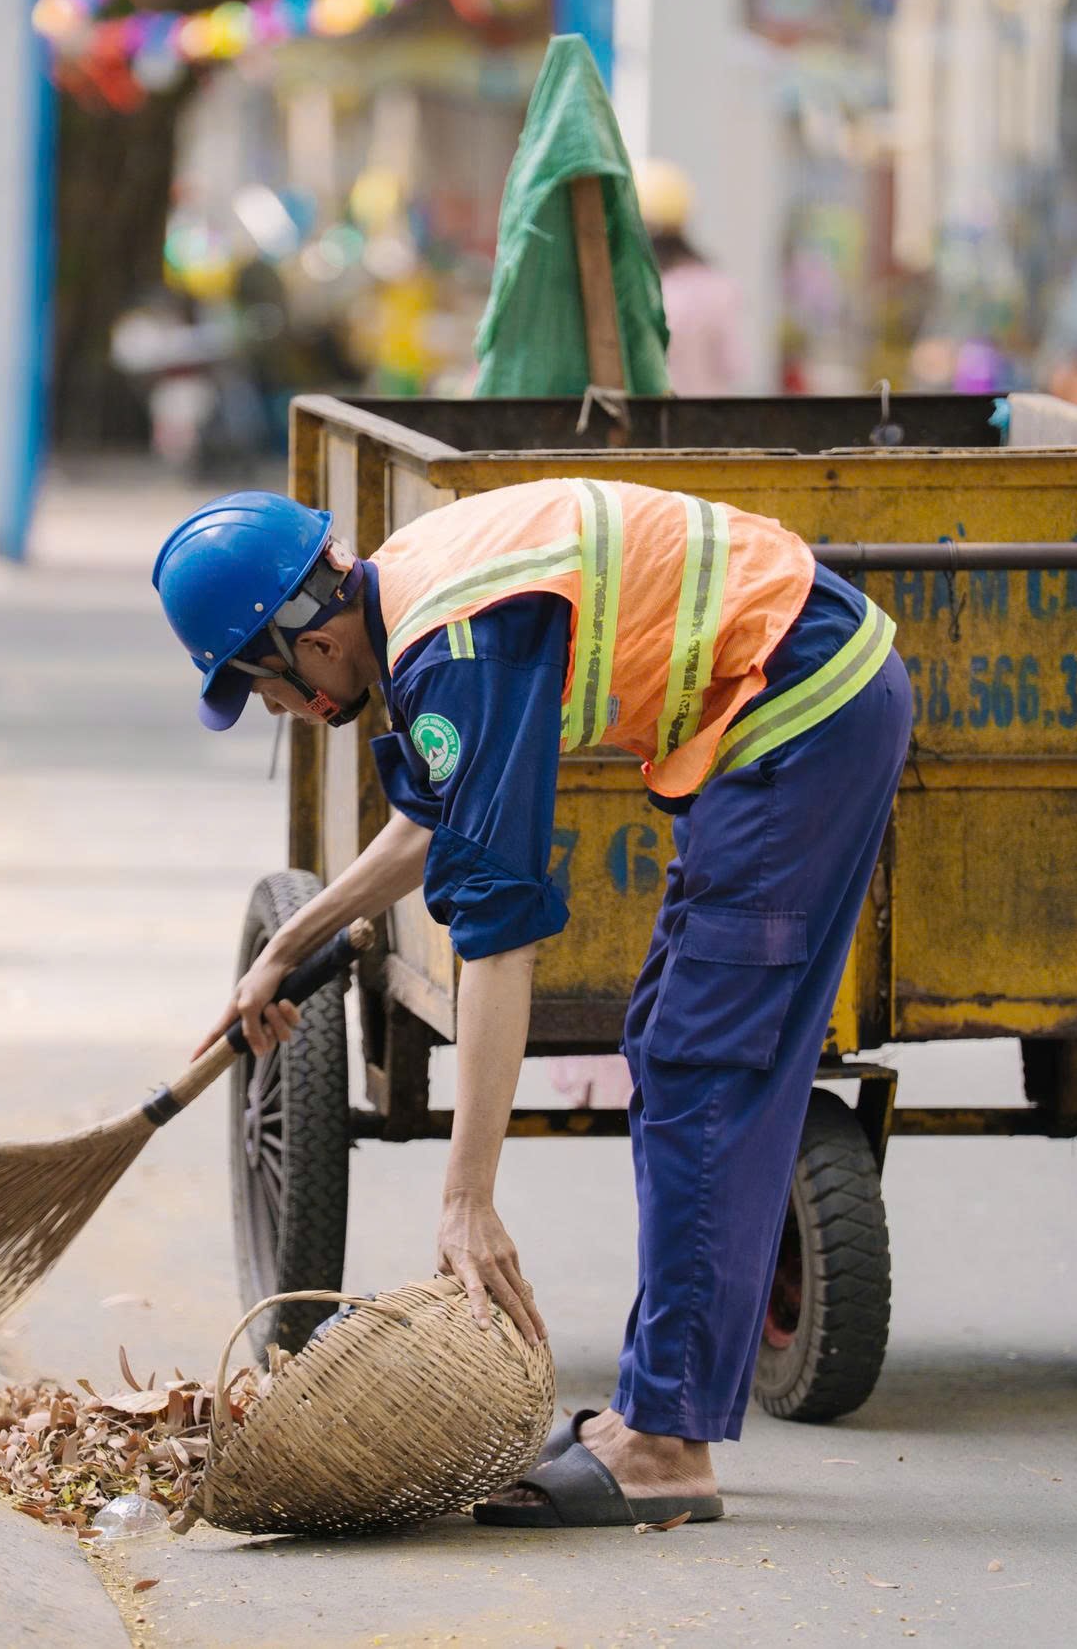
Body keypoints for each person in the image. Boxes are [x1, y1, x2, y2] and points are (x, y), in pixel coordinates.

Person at [154, 479, 911, 1529]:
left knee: (700, 1061)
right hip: (795, 694)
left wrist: (467, 1196)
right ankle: (661, 1411)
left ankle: (663, 1443)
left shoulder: (454, 647)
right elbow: (434, 821)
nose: (286, 714)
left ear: (309, 647)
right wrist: (291, 944)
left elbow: (497, 936)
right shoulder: (412, 601)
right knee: (678, 1047)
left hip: (798, 710)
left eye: (267, 692)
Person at [637, 160, 748, 396]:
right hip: (708, 423)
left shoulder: (640, 289)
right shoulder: (718, 287)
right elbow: (733, 365)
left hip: (650, 424)